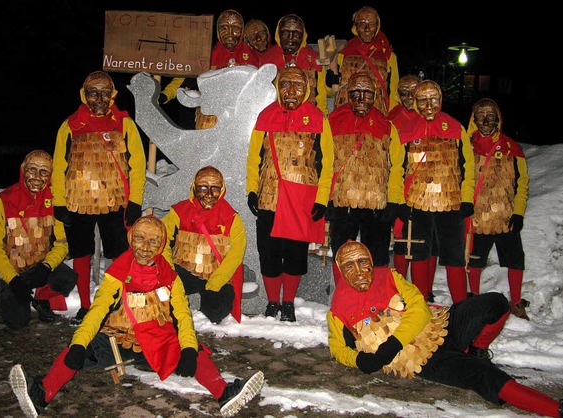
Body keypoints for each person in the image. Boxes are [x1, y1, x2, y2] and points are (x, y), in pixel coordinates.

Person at [9, 215, 264, 418]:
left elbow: (183, 317)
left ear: (162, 244)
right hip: (116, 342)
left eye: (153, 241)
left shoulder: (171, 277)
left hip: (156, 344)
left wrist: (186, 348)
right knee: (75, 351)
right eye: (140, 239)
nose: (145, 247)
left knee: (196, 352)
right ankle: (41, 394)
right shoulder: (117, 272)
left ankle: (224, 393)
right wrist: (78, 343)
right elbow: (97, 311)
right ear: (131, 239)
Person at [327, 240, 563, 418]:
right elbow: (337, 349)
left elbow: (420, 307)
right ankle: (560, 410)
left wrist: (391, 344)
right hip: (424, 359)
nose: (359, 270)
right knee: (484, 376)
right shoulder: (338, 310)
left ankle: (477, 349)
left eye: (363, 261)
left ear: (371, 262)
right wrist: (360, 359)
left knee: (495, 303)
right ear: (341, 271)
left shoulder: (389, 277)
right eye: (349, 266)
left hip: (441, 323)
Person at [51, 70, 146, 325]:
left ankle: (115, 302)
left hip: (114, 200)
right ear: (85, 95)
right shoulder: (70, 126)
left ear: (112, 95)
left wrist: (135, 201)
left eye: (105, 92)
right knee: (81, 252)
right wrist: (59, 202)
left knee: (118, 252)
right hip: (78, 200)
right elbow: (58, 166)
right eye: (94, 92)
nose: (100, 98)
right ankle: (84, 304)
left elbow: (138, 163)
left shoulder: (124, 124)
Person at [246, 66, 334, 321]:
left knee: (295, 253)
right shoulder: (265, 116)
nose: (291, 90)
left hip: (300, 198)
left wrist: (321, 197)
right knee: (269, 251)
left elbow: (327, 161)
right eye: (286, 84)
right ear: (278, 87)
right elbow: (254, 157)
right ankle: (273, 302)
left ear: (306, 88)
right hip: (269, 196)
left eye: (297, 84)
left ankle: (288, 303)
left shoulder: (318, 118)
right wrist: (252, 189)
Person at [387, 80, 474, 303]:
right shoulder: (405, 130)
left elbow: (467, 166)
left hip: (450, 202)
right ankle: (420, 304)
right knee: (418, 252)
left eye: (433, 99)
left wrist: (466, 199)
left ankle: (460, 307)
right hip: (416, 202)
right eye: (423, 99)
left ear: (440, 100)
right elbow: (397, 169)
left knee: (454, 256)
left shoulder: (455, 128)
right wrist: (398, 201)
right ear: (416, 101)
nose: (428, 104)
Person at [0, 150, 77, 329]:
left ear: (50, 175)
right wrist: (13, 280)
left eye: (44, 172)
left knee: (67, 278)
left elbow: (63, 243)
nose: (37, 177)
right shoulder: (2, 202)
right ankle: (4, 294)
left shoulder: (55, 202)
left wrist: (45, 267)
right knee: (18, 323)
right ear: (22, 169)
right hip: (13, 269)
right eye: (32, 170)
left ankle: (42, 298)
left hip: (38, 264)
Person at [327, 72, 402, 282]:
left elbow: (396, 167)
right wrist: (325, 198)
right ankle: (344, 298)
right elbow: (324, 165)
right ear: (347, 95)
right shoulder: (332, 122)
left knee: (377, 255)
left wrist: (394, 201)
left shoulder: (386, 126)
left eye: (367, 93)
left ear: (375, 95)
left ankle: (375, 300)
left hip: (376, 204)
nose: (361, 99)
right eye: (355, 93)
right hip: (342, 202)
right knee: (342, 252)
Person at [466, 98, 530, 319]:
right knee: (474, 260)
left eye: (490, 114)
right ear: (473, 118)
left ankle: (516, 301)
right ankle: (473, 297)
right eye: (481, 114)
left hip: (505, 216)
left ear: (498, 118)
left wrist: (519, 212)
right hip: (476, 217)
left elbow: (522, 183)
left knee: (515, 259)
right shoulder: (465, 146)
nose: (485, 119)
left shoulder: (513, 148)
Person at [162, 166, 247, 324]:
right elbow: (161, 238)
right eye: (203, 188)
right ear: (194, 188)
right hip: (184, 269)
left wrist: (216, 281)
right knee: (163, 301)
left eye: (214, 188)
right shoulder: (179, 211)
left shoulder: (231, 217)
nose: (209, 194)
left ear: (222, 190)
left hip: (215, 273)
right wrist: (170, 271)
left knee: (216, 312)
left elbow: (237, 252)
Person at [159, 9, 258, 130]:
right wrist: (166, 94)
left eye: (236, 28)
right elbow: (185, 76)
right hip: (209, 117)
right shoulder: (207, 55)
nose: (230, 33)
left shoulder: (251, 56)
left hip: (239, 120)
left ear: (242, 31)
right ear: (217, 31)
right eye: (224, 28)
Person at [388, 74, 439, 302]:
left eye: (413, 92)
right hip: (402, 183)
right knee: (401, 238)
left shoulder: (432, 118)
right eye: (404, 93)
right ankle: (400, 290)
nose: (409, 97)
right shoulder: (392, 118)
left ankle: (424, 290)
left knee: (428, 241)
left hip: (433, 188)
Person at [327, 6, 399, 116]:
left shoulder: (387, 55)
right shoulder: (343, 53)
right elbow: (330, 91)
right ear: (355, 27)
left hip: (376, 114)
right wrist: (331, 79)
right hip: (345, 114)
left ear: (377, 26)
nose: (367, 29)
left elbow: (394, 93)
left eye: (371, 24)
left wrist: (391, 119)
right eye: (362, 24)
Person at [260, 13, 329, 115]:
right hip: (275, 117)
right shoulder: (267, 60)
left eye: (296, 34)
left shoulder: (314, 59)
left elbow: (321, 96)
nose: (290, 38)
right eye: (285, 33)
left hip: (307, 117)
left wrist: (321, 118)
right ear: (278, 34)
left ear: (303, 36)